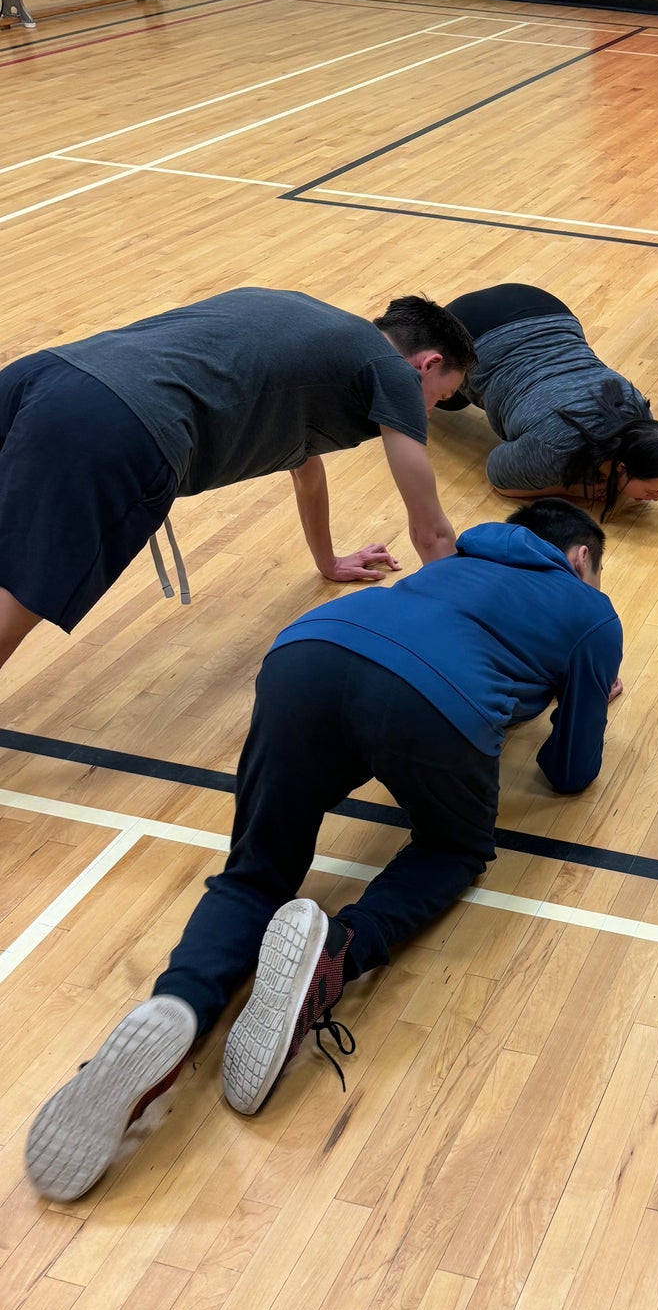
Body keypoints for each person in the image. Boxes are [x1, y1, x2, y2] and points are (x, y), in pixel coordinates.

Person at [24, 498, 624, 1202]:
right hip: (433, 700)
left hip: (312, 648)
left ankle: (179, 1006)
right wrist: (577, 700)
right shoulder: (592, 612)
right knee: (452, 848)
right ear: (581, 557)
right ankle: (337, 952)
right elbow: (570, 773)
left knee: (256, 872)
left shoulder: (457, 559)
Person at [0, 288, 477, 676]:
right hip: (113, 425)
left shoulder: (309, 326)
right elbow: (430, 531)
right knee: (23, 595)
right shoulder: (391, 374)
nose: (430, 411)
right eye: (443, 396)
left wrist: (327, 560)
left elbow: (305, 468)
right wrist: (469, 636)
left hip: (40, 375)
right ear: (427, 364)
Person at [441, 282, 658, 514]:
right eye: (651, 490)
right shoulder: (556, 449)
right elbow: (499, 476)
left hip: (545, 308)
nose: (655, 498)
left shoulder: (640, 417)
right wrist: (572, 489)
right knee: (443, 398)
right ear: (621, 467)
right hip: (470, 328)